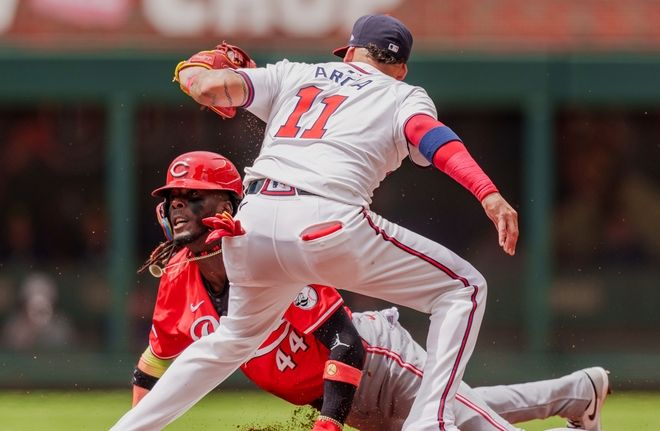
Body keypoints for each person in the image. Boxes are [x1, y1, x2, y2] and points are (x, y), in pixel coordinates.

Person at [112, 15, 520, 431]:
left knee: (231, 340)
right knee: (463, 288)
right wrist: (486, 191)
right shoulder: (402, 93)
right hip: (327, 221)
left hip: (250, 224)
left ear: (351, 51)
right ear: (401, 67)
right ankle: (430, 421)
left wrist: (194, 67)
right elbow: (433, 138)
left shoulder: (295, 73)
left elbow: (205, 87)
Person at [130, 151, 609, 431]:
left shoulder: (270, 248)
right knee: (462, 410)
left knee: (467, 425)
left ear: (232, 203)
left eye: (194, 196)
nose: (179, 207)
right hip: (339, 395)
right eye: (173, 199)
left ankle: (577, 392)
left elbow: (346, 343)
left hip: (376, 361)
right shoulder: (176, 278)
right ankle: (578, 391)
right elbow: (155, 360)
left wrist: (328, 425)